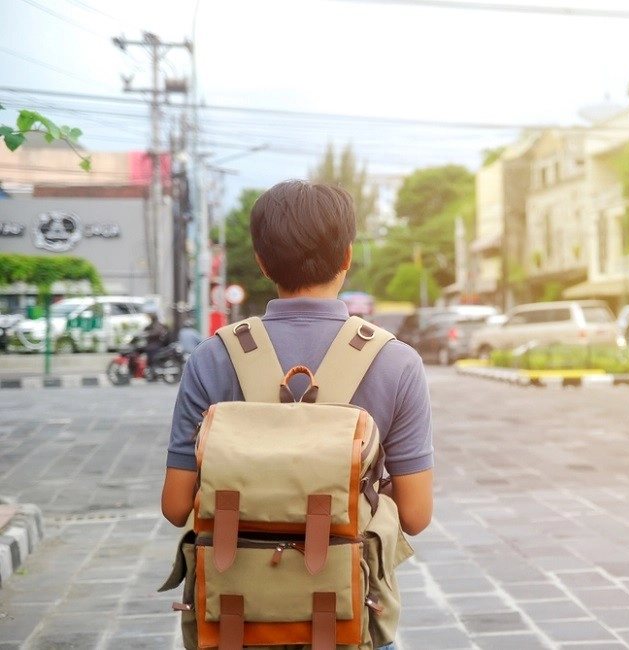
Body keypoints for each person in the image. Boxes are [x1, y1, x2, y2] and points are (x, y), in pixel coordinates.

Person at [160, 180, 434, 648]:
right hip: (349, 618)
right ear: (347, 256)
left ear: (263, 263)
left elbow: (175, 506)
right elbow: (415, 514)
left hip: (235, 617)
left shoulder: (213, 357)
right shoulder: (396, 361)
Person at [131, 311, 170, 375]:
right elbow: (145, 329)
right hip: (152, 343)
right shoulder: (152, 324)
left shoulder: (158, 324)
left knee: (150, 349)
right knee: (141, 349)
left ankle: (152, 367)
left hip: (156, 344)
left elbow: (156, 332)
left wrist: (147, 334)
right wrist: (140, 334)